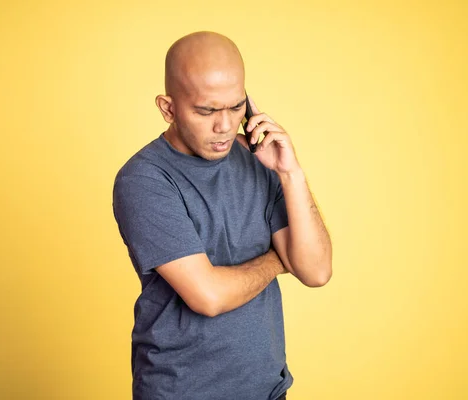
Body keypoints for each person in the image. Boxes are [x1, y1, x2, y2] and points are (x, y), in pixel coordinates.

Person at [112, 31, 332, 400]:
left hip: (268, 390)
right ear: (168, 108)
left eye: (235, 107)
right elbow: (208, 296)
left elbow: (316, 270)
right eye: (206, 110)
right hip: (182, 392)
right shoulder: (144, 178)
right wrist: (280, 259)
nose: (225, 126)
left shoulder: (260, 162)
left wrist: (290, 173)